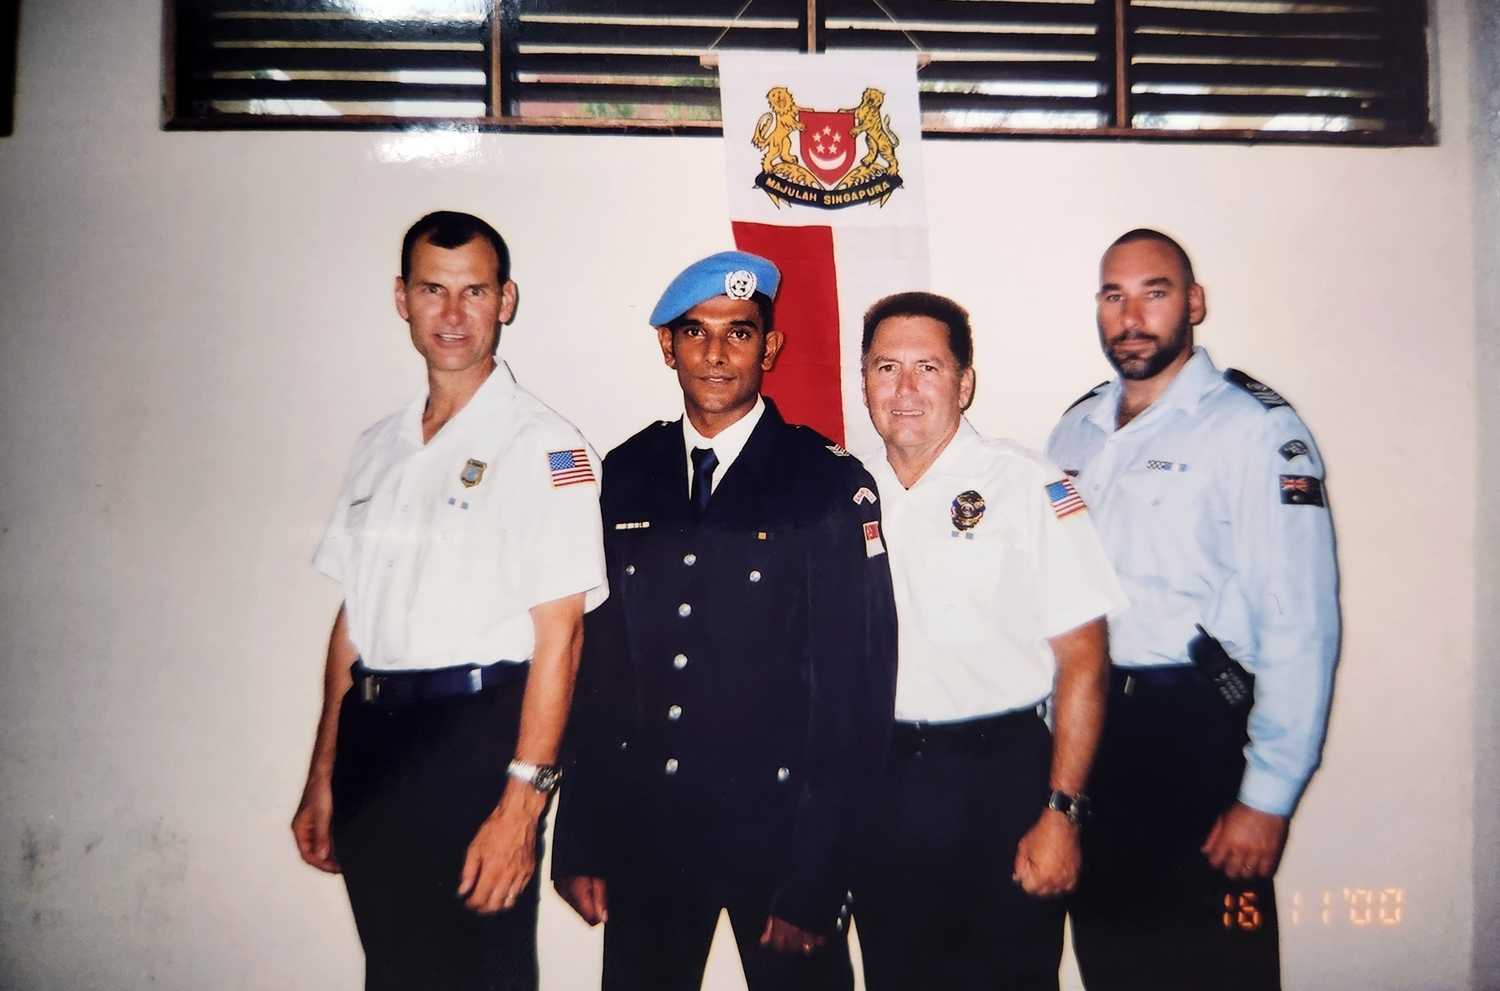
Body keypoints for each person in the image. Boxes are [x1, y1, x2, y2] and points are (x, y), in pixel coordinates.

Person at [552, 251, 897, 991]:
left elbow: (854, 694)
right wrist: (579, 835)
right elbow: (600, 668)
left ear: (769, 347)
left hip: (778, 839)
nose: (715, 353)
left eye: (738, 332)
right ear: (666, 345)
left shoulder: (825, 480)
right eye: (695, 332)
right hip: (647, 832)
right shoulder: (627, 473)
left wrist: (818, 876)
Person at [289, 210, 607, 991]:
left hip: (475, 743)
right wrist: (323, 771)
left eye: (474, 291)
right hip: (374, 741)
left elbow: (560, 637)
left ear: (507, 300)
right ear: (402, 298)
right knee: (395, 972)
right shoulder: (380, 446)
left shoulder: (544, 446)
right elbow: (352, 623)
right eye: (434, 290)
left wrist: (522, 805)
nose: (454, 314)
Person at [1048, 229, 1339, 990]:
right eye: (1114, 295)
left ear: (1195, 302)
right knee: (1112, 961)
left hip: (1196, 743)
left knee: (1217, 967)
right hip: (1094, 737)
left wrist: (1267, 796)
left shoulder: (1254, 429)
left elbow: (1301, 625)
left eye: (1155, 291)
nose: (1131, 315)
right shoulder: (1074, 429)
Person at [853, 291, 1127, 990]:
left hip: (999, 783)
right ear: (863, 380)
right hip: (882, 788)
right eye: (887, 368)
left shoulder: (1025, 483)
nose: (905, 389)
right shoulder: (843, 493)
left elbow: (1085, 660)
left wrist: (1062, 812)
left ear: (965, 382)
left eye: (928, 368)